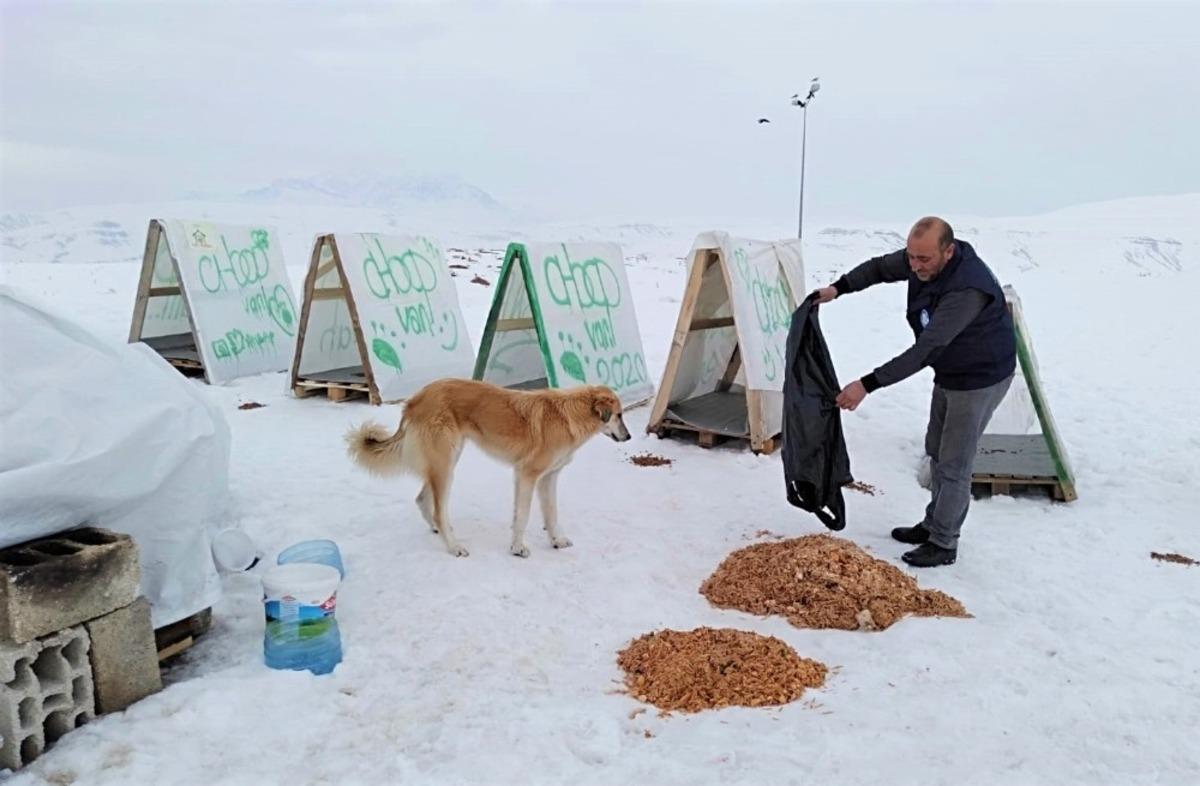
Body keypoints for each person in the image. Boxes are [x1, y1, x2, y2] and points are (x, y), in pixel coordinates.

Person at [812, 216, 1016, 567]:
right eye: (911, 258)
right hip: (951, 371)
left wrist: (866, 384)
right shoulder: (920, 259)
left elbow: (926, 350)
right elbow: (878, 269)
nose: (915, 266)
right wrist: (838, 288)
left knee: (954, 461)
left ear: (948, 252)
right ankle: (933, 522)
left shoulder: (968, 289)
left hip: (980, 378)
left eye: (924, 260)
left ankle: (944, 542)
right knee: (936, 448)